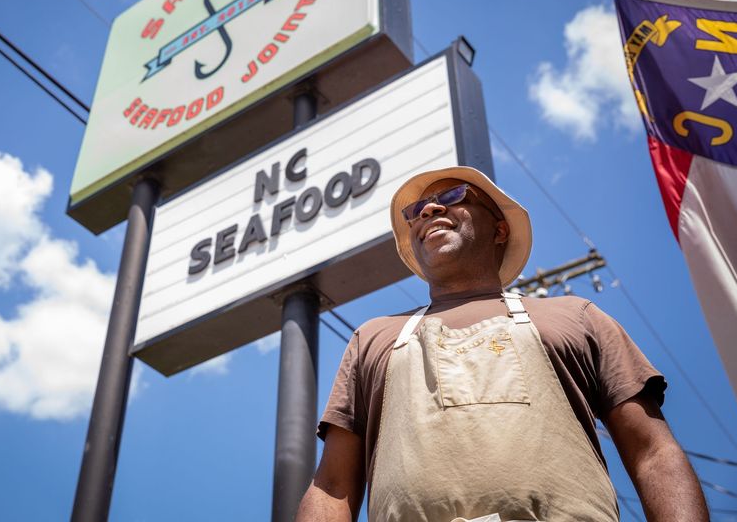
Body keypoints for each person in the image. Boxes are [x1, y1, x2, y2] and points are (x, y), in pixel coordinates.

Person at [296, 166, 708, 522]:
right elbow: (332, 486)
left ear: (499, 229)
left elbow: (653, 452)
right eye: (415, 211)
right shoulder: (372, 338)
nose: (428, 210)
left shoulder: (576, 317)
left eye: (453, 196)